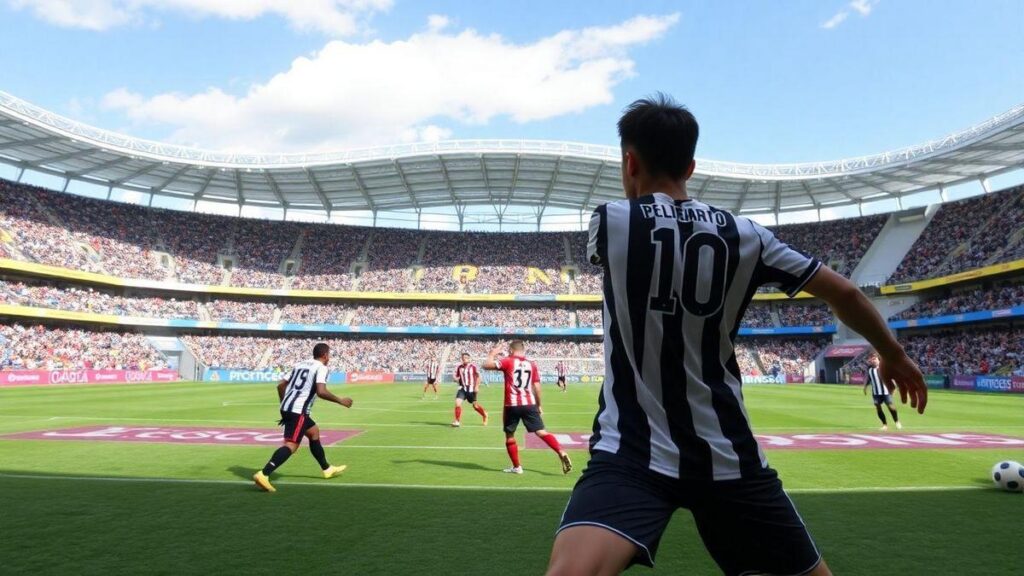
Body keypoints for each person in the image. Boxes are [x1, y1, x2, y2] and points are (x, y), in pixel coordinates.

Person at [546, 95, 928, 576]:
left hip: (630, 452)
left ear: (629, 161)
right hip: (728, 454)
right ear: (691, 165)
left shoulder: (611, 222)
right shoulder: (748, 235)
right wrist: (892, 354)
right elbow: (847, 293)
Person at [253, 342, 354, 492]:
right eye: (329, 355)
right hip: (298, 411)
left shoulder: (300, 364)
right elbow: (321, 391)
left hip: (289, 407)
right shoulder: (321, 368)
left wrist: (285, 406)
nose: (329, 358)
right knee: (291, 445)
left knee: (314, 432)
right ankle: (264, 474)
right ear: (325, 355)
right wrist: (341, 401)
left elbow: (280, 386)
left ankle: (327, 469)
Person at [483, 340, 573, 475]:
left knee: (510, 436)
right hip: (529, 403)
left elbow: (486, 365)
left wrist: (492, 353)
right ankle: (561, 451)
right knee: (541, 432)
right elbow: (537, 387)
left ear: (511, 350)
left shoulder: (508, 361)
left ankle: (517, 467)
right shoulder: (532, 364)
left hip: (512, 404)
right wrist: (539, 405)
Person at [864, 353, 902, 431]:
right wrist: (865, 387)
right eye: (872, 359)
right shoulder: (870, 369)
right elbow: (869, 379)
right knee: (878, 407)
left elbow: (892, 378)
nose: (873, 360)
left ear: (879, 360)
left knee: (890, 406)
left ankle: (897, 421)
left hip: (886, 392)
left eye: (874, 359)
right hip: (876, 393)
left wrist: (894, 387)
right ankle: (884, 425)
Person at [453, 352, 488, 427]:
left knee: (475, 406)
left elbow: (479, 377)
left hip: (472, 389)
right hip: (462, 389)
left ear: (469, 359)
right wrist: (455, 379)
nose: (464, 359)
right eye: (463, 358)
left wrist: (477, 386)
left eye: (465, 358)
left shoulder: (473, 367)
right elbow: (456, 377)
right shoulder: (459, 367)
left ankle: (484, 414)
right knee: (457, 403)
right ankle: (457, 421)